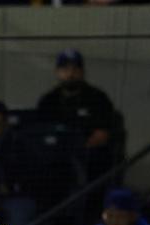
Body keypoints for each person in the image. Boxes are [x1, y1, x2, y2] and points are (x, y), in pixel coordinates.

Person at [37, 50, 117, 184]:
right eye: (65, 69)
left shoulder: (98, 98)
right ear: (57, 72)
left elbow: (102, 133)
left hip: (89, 160)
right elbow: (39, 133)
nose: (70, 74)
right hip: (54, 160)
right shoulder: (48, 101)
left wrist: (80, 148)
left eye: (75, 69)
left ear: (82, 72)